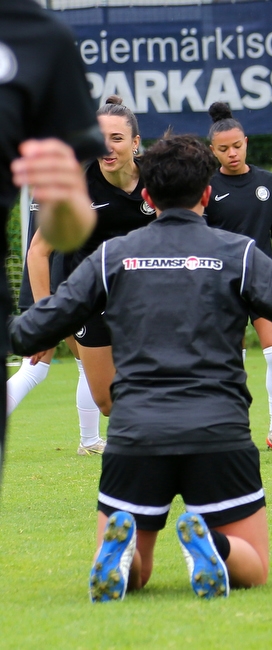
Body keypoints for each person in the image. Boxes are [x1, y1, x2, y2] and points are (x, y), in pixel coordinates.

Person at [8, 133, 272, 602]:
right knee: (253, 566)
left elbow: (32, 329)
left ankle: (124, 555)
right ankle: (211, 543)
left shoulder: (112, 256)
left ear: (148, 197)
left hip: (136, 435)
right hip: (218, 432)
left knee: (137, 573)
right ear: (208, 194)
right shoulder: (238, 254)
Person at [1, 0, 104, 489]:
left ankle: (95, 439)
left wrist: (63, 197)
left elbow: (64, 230)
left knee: (62, 362)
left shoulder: (40, 39)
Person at [25, 96, 155, 422]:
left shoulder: (159, 180)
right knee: (108, 402)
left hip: (150, 297)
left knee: (163, 383)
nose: (107, 148)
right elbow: (38, 251)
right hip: (93, 299)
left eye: (117, 139)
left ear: (135, 143)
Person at [204, 102, 272, 452]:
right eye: (223, 148)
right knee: (232, 359)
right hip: (221, 285)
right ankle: (233, 429)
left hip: (262, 280)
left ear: (246, 142)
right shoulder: (206, 186)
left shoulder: (268, 183)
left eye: (237, 146)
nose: (232, 153)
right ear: (212, 150)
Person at [6, 203, 103, 457]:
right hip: (64, 282)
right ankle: (90, 441)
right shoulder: (81, 182)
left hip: (39, 282)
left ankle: (91, 440)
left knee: (34, 371)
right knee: (84, 362)